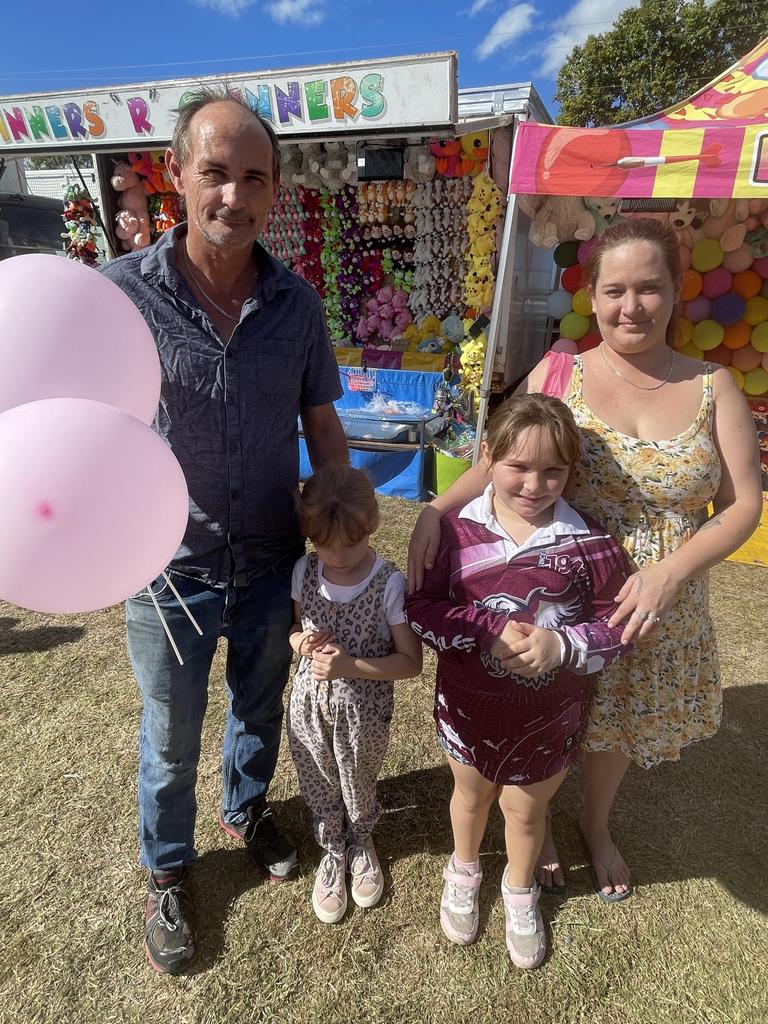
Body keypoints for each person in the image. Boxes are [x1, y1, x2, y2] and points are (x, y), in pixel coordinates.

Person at [408, 218, 762, 904]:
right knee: (544, 701)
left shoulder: (713, 384)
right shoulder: (562, 367)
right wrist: (435, 508)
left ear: (677, 291)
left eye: (650, 288)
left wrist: (669, 572)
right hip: (554, 585)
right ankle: (532, 825)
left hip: (656, 599)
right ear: (593, 296)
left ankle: (595, 825)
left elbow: (743, 504)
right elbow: (500, 456)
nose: (632, 306)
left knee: (614, 722)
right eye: (616, 290)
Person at [101, 89, 348, 974]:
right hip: (167, 572)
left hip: (274, 557)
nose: (233, 196)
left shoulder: (299, 305)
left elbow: (321, 424)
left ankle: (246, 809)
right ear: (176, 174)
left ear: (275, 190)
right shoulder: (117, 296)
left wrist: (343, 527)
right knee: (169, 734)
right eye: (215, 172)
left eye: (254, 178)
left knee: (257, 706)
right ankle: (167, 873)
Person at [405, 394, 632, 968]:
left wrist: (562, 644)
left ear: (572, 472)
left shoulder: (593, 544)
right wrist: (483, 631)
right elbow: (421, 608)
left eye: (554, 470)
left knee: (527, 812)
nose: (535, 484)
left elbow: (618, 626)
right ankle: (463, 869)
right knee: (470, 796)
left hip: (549, 718)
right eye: (519, 467)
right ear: (486, 456)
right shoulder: (453, 534)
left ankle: (520, 888)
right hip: (467, 710)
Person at [287, 465, 422, 924]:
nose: (339, 555)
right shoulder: (304, 571)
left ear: (372, 526)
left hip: (364, 713)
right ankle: (332, 848)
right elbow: (293, 629)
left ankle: (362, 839)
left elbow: (410, 663)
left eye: (352, 542)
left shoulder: (389, 584)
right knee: (318, 779)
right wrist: (299, 643)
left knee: (358, 778)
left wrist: (348, 665)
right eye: (325, 544)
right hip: (307, 707)